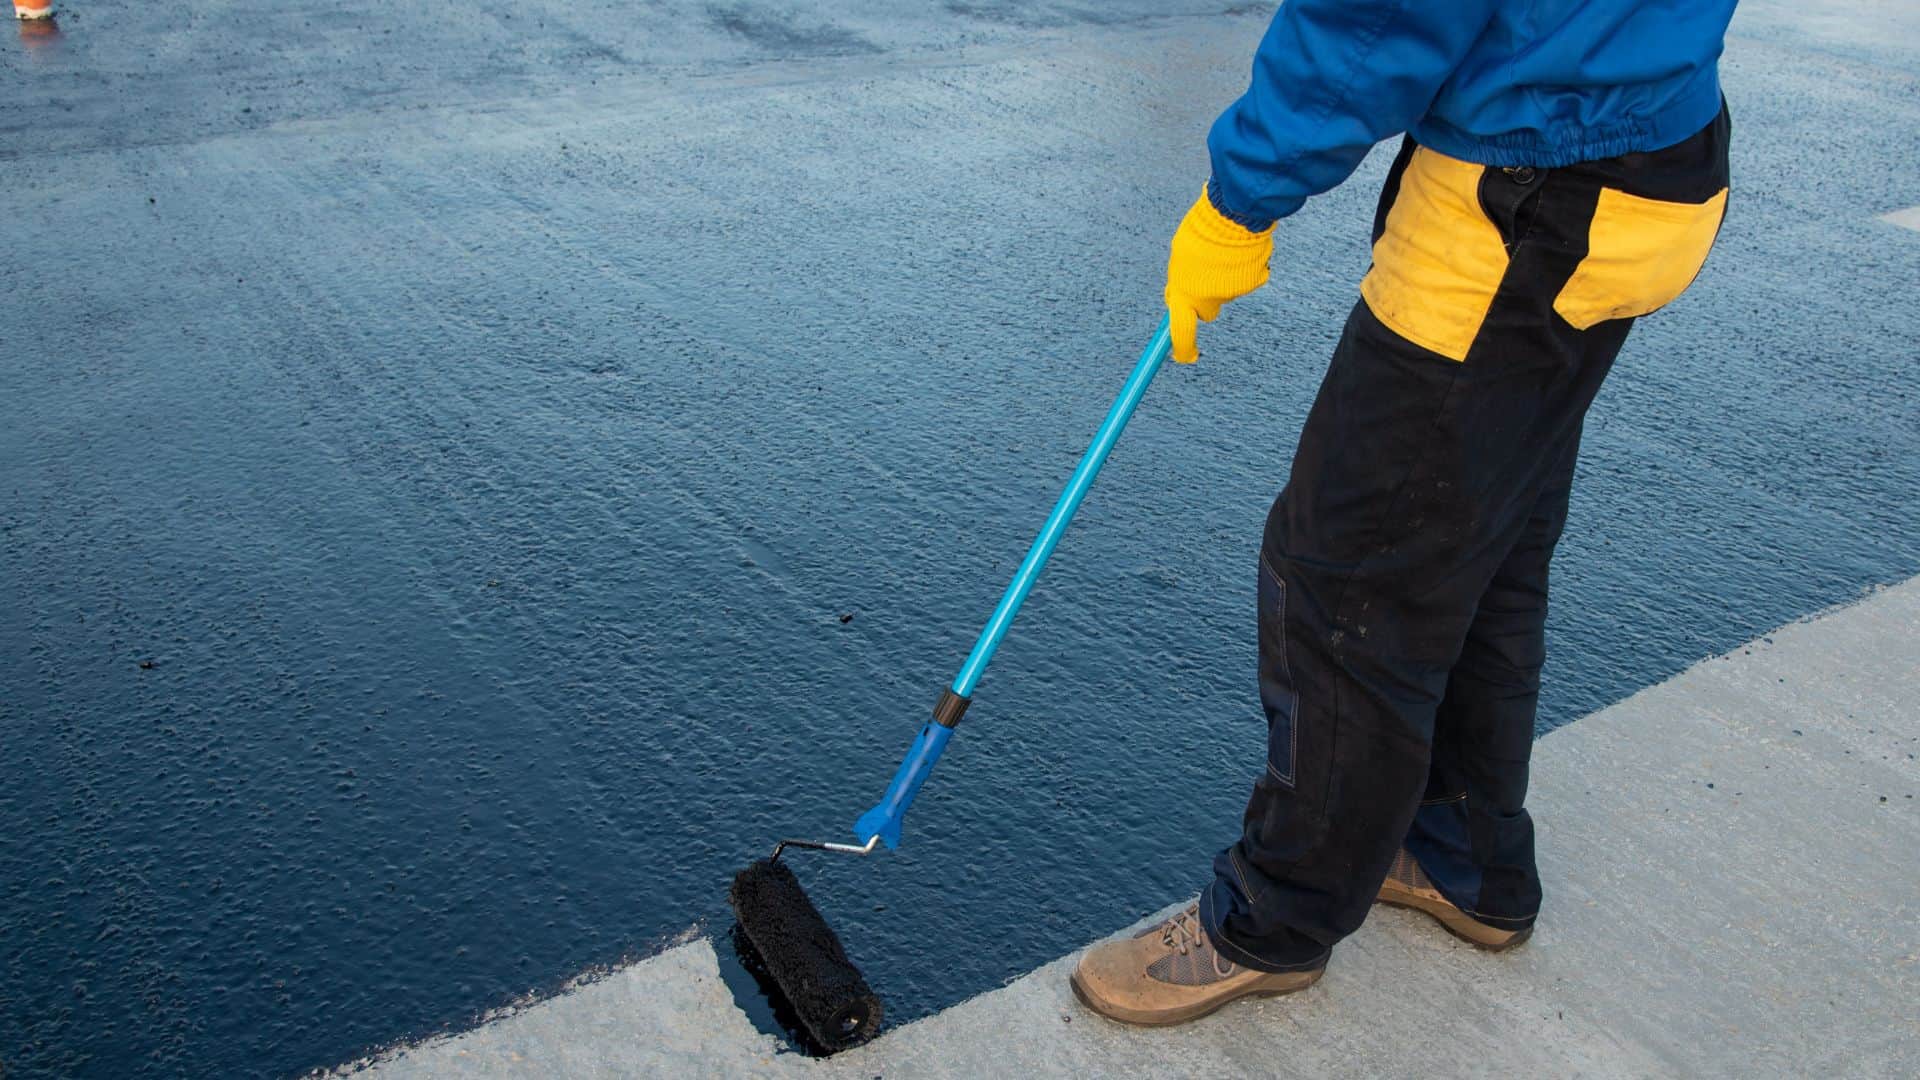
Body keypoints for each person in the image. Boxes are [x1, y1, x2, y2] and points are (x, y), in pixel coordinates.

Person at [1071, 0, 1737, 1026]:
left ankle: (1277, 917)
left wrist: (1241, 199)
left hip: (1521, 199)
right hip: (1650, 158)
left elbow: (1377, 19)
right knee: (1484, 543)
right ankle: (1461, 856)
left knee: (1346, 580)